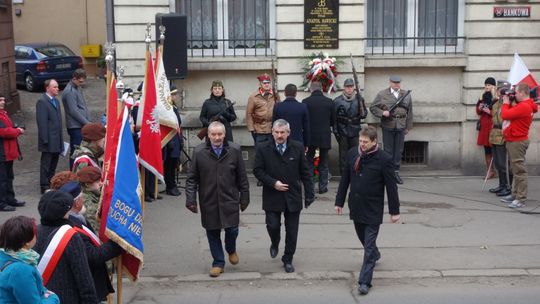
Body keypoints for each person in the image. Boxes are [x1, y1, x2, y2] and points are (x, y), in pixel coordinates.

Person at [335, 125, 400, 295]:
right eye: (360, 141)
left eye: (365, 142)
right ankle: (375, 254)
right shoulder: (352, 154)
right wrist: (339, 202)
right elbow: (345, 180)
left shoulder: (384, 159)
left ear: (374, 142)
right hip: (356, 206)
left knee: (368, 246)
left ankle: (365, 282)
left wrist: (394, 211)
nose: (362, 144)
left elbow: (391, 187)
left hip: (373, 208)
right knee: (363, 238)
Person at [185, 121, 249, 277]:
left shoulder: (234, 150)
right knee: (212, 232)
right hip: (209, 199)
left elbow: (242, 176)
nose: (217, 137)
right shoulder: (200, 152)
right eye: (213, 134)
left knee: (232, 229)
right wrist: (191, 199)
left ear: (224, 134)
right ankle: (218, 262)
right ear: (208, 135)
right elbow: (192, 179)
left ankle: (231, 249)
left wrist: (244, 196)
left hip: (230, 198)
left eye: (220, 134)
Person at [253, 119, 315, 273]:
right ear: (272, 132)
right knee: (272, 225)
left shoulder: (298, 147)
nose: (279, 135)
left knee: (292, 231)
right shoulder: (263, 148)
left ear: (288, 133)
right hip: (272, 194)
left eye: (283, 132)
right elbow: (258, 171)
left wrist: (309, 193)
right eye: (277, 132)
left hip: (292, 195)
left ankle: (288, 258)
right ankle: (275, 242)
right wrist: (273, 183)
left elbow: (305, 172)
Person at [33, 190, 99, 303]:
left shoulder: (35, 232)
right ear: (64, 212)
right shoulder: (71, 237)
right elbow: (83, 278)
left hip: (42, 297)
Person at [0, 215, 60, 303]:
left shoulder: (4, 254)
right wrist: (53, 298)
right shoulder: (20, 270)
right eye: (35, 234)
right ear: (27, 242)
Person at [499, 83, 538, 208]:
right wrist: (509, 102)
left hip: (517, 141)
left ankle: (521, 199)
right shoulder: (524, 105)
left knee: (519, 171)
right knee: (515, 170)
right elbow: (511, 113)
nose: (514, 95)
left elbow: (505, 115)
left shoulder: (524, 106)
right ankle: (515, 194)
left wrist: (505, 102)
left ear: (522, 93)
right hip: (515, 139)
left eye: (516, 93)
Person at [369, 75, 413, 184]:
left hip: (401, 125)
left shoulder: (406, 95)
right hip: (388, 125)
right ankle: (387, 172)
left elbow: (410, 111)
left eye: (398, 82)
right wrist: (382, 113)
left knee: (398, 151)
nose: (396, 84)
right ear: (390, 83)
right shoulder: (382, 94)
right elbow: (373, 107)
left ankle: (396, 172)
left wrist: (408, 126)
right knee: (388, 151)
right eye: (394, 82)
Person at [302, 81, 334, 194]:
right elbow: (333, 121)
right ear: (321, 89)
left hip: (310, 136)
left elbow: (304, 121)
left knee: (309, 162)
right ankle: (323, 187)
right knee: (324, 163)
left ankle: (310, 187)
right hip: (324, 135)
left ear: (311, 89)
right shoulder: (329, 102)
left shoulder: (305, 102)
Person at [37, 79, 64, 194]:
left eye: (57, 87)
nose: (57, 89)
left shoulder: (56, 101)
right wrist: (45, 140)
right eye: (55, 87)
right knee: (46, 164)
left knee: (54, 163)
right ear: (47, 88)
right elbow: (42, 122)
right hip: (48, 140)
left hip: (57, 138)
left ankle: (51, 182)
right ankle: (44, 185)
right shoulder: (42, 101)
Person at [333, 78, 365, 175]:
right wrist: (336, 131)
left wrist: (362, 111)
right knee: (343, 155)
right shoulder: (337, 101)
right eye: (347, 87)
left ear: (354, 88)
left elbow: (364, 114)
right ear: (344, 88)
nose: (349, 89)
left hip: (355, 130)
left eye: (351, 87)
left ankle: (355, 173)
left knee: (356, 153)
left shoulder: (359, 99)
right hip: (342, 130)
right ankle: (344, 175)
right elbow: (334, 118)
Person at [0, 95, 26, 211]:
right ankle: (2, 203)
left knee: (9, 177)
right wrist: (17, 131)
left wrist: (16, 129)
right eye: (0, 100)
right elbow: (3, 132)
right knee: (2, 179)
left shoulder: (3, 114)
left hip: (7, 153)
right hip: (2, 153)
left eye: (3, 100)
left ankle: (10, 199)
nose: (3, 102)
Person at [488, 81, 513, 197]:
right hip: (495, 135)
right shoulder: (496, 104)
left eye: (504, 89)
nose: (501, 92)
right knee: (498, 163)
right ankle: (501, 185)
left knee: (504, 164)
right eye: (500, 89)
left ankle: (508, 187)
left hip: (504, 135)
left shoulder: (510, 103)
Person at [61, 69, 90, 168]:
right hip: (75, 126)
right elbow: (73, 111)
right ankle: (73, 173)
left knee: (80, 151)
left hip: (80, 124)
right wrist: (87, 123)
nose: (82, 83)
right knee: (75, 152)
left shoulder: (77, 88)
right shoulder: (70, 91)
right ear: (74, 78)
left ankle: (78, 171)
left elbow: (83, 106)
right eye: (80, 81)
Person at [246, 73, 278, 148]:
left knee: (273, 153)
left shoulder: (275, 95)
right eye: (264, 83)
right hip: (259, 130)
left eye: (268, 82)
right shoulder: (253, 97)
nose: (267, 85)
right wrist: (252, 130)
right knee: (260, 153)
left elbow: (279, 109)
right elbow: (249, 114)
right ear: (260, 84)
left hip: (272, 129)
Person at [163, 85, 184, 196]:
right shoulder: (167, 108)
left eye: (175, 94)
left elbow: (178, 125)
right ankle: (170, 186)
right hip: (170, 140)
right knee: (169, 165)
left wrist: (180, 140)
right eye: (172, 94)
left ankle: (173, 184)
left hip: (176, 138)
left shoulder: (174, 107)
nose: (175, 96)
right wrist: (170, 141)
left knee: (174, 163)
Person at [476, 77, 497, 179]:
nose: (486, 87)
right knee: (487, 150)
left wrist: (490, 112)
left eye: (489, 85)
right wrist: (479, 108)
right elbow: (477, 111)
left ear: (493, 86)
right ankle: (490, 171)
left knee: (496, 149)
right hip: (484, 126)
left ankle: (497, 170)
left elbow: (500, 114)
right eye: (486, 85)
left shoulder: (497, 98)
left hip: (493, 126)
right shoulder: (482, 96)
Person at [77, 166, 102, 233]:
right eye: (97, 182)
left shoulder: (93, 192)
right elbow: (96, 228)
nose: (101, 183)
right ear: (87, 184)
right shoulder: (87, 202)